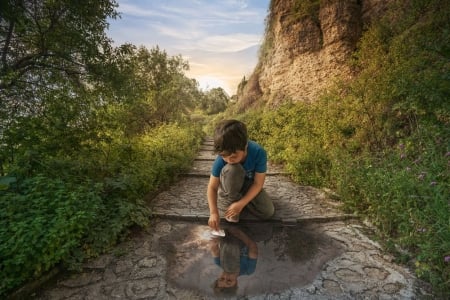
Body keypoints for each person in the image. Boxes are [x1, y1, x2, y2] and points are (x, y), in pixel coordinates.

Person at [207, 119, 275, 231]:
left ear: (245, 146)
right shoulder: (222, 158)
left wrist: (241, 204)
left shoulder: (258, 152)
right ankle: (230, 200)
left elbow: (258, 183)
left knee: (268, 212)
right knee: (233, 169)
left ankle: (240, 202)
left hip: (249, 184)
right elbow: (212, 187)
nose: (229, 159)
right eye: (224, 156)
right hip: (230, 184)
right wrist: (213, 213)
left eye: (233, 156)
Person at [209, 226, 258, 295]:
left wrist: (215, 240)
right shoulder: (248, 270)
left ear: (218, 277)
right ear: (236, 283)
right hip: (246, 234)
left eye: (222, 278)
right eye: (229, 280)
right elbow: (253, 249)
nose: (226, 276)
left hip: (227, 234)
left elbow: (214, 249)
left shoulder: (219, 263)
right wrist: (240, 234)